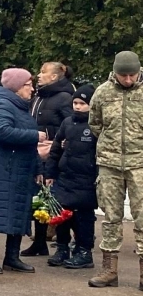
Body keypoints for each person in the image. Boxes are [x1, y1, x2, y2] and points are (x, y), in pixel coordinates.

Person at [0, 69, 43, 275]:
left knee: (18, 212)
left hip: (20, 169)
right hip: (1, 169)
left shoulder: (20, 106)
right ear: (15, 86)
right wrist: (35, 135)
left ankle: (11, 257)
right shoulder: (3, 104)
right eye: (28, 85)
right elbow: (1, 131)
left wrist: (38, 167)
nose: (32, 89)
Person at [87, 51, 143, 290]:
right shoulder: (102, 92)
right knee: (111, 216)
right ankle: (110, 270)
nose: (128, 80)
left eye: (132, 75)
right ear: (115, 72)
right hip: (109, 164)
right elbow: (95, 123)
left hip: (140, 162)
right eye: (123, 75)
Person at [23, 61, 74, 257]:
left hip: (53, 155)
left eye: (43, 72)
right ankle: (39, 241)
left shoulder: (64, 97)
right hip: (36, 153)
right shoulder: (37, 96)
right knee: (39, 199)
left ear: (54, 77)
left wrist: (57, 143)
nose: (38, 75)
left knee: (55, 200)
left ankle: (65, 243)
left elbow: (69, 125)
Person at [44, 84, 97, 269]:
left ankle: (84, 251)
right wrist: (50, 172)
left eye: (82, 103)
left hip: (86, 179)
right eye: (75, 102)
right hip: (65, 177)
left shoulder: (96, 124)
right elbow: (56, 148)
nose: (78, 106)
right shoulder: (67, 123)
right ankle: (62, 248)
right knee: (62, 215)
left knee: (83, 217)